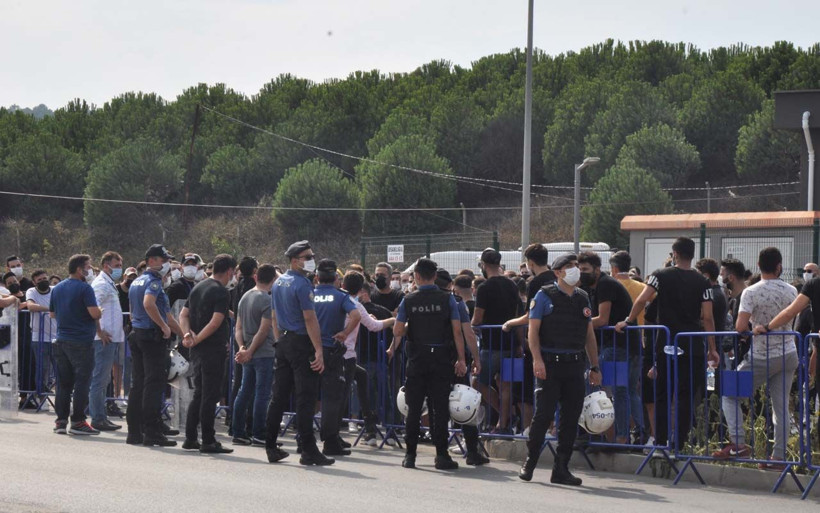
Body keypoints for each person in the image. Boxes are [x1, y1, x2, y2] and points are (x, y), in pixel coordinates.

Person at [616, 237, 716, 452]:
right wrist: (713, 348)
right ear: (692, 254)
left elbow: (643, 299)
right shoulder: (703, 282)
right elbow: (707, 317)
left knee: (662, 394)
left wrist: (628, 320)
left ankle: (660, 442)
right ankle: (680, 443)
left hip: (667, 343)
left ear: (675, 254)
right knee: (685, 397)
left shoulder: (660, 275)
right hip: (693, 344)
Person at [711, 248, 799, 470]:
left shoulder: (751, 292)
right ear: (779, 266)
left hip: (761, 355)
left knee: (730, 394)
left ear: (758, 266)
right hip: (788, 352)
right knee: (781, 408)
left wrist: (754, 327)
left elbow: (740, 327)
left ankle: (738, 442)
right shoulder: (791, 291)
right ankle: (778, 457)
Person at [519, 253, 602, 485]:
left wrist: (594, 365)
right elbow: (532, 332)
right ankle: (530, 463)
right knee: (543, 416)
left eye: (577, 266)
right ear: (558, 272)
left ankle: (561, 469)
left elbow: (589, 335)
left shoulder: (582, 297)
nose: (575, 270)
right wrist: (537, 360)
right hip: (550, 364)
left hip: (575, 365)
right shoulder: (544, 295)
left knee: (570, 418)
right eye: (569, 266)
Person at [393, 258, 467, 470]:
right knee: (440, 408)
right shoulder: (447, 299)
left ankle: (410, 456)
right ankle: (442, 455)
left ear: (416, 276)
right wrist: (461, 359)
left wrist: (409, 326)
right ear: (435, 276)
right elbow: (457, 331)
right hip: (441, 359)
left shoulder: (408, 300)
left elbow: (397, 331)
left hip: (417, 359)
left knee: (414, 408)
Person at [264, 241, 332, 466]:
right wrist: (319, 350)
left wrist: (278, 340)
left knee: (279, 396)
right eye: (307, 256)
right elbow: (310, 318)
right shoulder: (302, 284)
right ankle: (308, 450)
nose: (311, 259)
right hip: (301, 343)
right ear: (294, 260)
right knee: (305, 397)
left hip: (284, 342)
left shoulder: (279, 281)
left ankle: (271, 446)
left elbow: (274, 315)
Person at [578, 251, 639, 446]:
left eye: (585, 269)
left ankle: (618, 436)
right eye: (580, 270)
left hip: (619, 345)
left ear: (597, 269)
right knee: (609, 389)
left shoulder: (605, 284)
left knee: (612, 389)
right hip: (611, 344)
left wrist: (577, 324)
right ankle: (603, 433)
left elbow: (603, 319)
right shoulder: (593, 287)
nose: (582, 273)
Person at [179, 254, 237, 454]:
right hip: (212, 348)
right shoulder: (221, 292)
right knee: (209, 395)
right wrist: (198, 338)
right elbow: (215, 322)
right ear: (229, 271)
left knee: (200, 393)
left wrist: (188, 334)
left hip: (197, 349)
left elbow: (183, 314)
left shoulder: (198, 287)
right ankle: (208, 440)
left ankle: (190, 437)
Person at [127, 244, 183, 447]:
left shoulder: (137, 281)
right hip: (151, 337)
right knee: (154, 385)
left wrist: (182, 334)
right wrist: (163, 327)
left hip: (138, 334)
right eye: (163, 260)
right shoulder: (153, 282)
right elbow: (149, 305)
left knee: (138, 384)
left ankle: (134, 432)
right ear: (151, 260)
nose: (167, 264)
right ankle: (152, 432)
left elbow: (164, 314)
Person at [436, 268, 487, 465]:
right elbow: (467, 334)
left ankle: (429, 453)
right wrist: (474, 358)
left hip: (428, 360)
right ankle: (472, 452)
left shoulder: (415, 299)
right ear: (450, 286)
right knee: (466, 403)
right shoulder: (456, 303)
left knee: (435, 406)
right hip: (455, 360)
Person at [311, 260, 361, 456]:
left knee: (308, 396)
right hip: (331, 351)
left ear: (317, 278)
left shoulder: (310, 295)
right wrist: (344, 333)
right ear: (336, 279)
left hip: (311, 350)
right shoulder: (341, 297)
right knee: (332, 399)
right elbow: (356, 315)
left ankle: (303, 439)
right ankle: (330, 442)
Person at [49, 254, 102, 436]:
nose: (90, 270)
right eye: (88, 266)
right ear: (80, 269)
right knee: (82, 382)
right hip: (81, 341)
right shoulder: (85, 289)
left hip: (61, 340)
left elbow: (52, 314)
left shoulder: (57, 288)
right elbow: (95, 313)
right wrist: (99, 310)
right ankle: (78, 420)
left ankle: (61, 421)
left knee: (64, 383)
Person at [471, 247, 522, 434]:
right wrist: (519, 344)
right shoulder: (512, 285)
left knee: (478, 382)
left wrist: (470, 326)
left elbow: (478, 317)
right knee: (505, 383)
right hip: (510, 341)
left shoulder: (484, 287)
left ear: (483, 265)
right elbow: (517, 314)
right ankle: (504, 422)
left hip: (491, 343)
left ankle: (504, 416)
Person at [232, 264, 278, 446]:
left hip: (247, 352)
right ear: (273, 279)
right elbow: (264, 330)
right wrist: (249, 351)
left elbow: (238, 328)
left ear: (256, 276)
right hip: (263, 352)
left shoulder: (245, 296)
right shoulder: (266, 299)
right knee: (262, 393)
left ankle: (238, 431)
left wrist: (242, 348)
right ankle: (259, 432)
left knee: (244, 391)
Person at [88, 251, 126, 431]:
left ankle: (100, 416)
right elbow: (93, 308)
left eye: (120, 265)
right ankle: (97, 417)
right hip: (104, 339)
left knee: (104, 380)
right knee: (100, 379)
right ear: (106, 266)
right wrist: (99, 331)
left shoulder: (109, 283)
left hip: (111, 338)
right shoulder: (101, 284)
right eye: (117, 266)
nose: (120, 269)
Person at [25, 270, 57, 398]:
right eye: (39, 280)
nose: (43, 281)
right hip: (39, 337)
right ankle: (41, 395)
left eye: (45, 278)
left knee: (59, 369)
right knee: (42, 368)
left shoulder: (55, 290)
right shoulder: (31, 291)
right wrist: (50, 309)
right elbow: (31, 306)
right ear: (34, 282)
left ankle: (61, 396)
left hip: (57, 336)